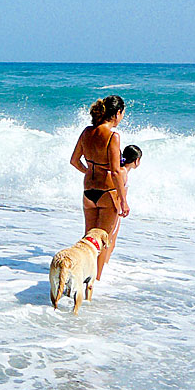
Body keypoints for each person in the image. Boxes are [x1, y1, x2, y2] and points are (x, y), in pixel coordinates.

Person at [69, 95, 129, 280]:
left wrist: (89, 171)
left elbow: (74, 161)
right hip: (107, 193)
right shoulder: (113, 136)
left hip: (88, 192)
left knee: (89, 240)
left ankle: (81, 276)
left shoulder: (87, 132)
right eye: (122, 114)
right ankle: (95, 281)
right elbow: (116, 172)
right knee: (103, 241)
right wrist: (124, 200)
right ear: (117, 113)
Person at [100, 145, 142, 268]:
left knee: (110, 240)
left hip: (114, 206)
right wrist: (121, 207)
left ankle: (102, 267)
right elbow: (117, 192)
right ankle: (102, 269)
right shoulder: (123, 172)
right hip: (115, 207)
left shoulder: (121, 170)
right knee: (110, 241)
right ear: (137, 160)